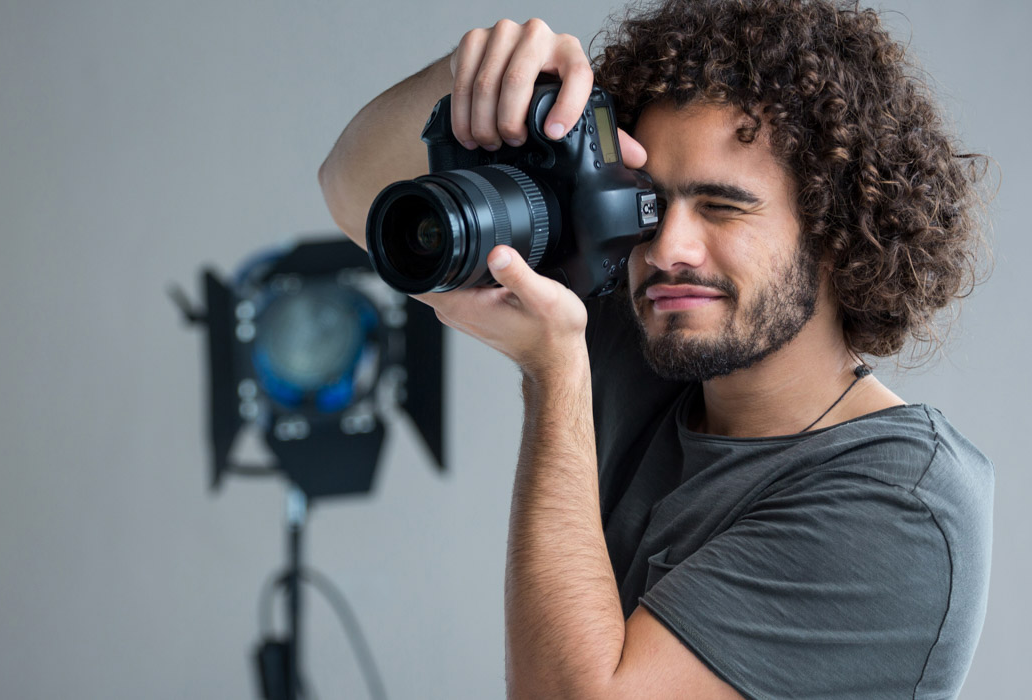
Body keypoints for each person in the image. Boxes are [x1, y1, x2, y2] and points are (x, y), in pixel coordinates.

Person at [318, 0, 992, 697]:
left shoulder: (901, 503)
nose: (668, 250)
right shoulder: (659, 339)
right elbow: (351, 192)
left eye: (722, 207)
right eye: (649, 206)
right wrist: (476, 77)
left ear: (838, 229)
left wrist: (554, 375)